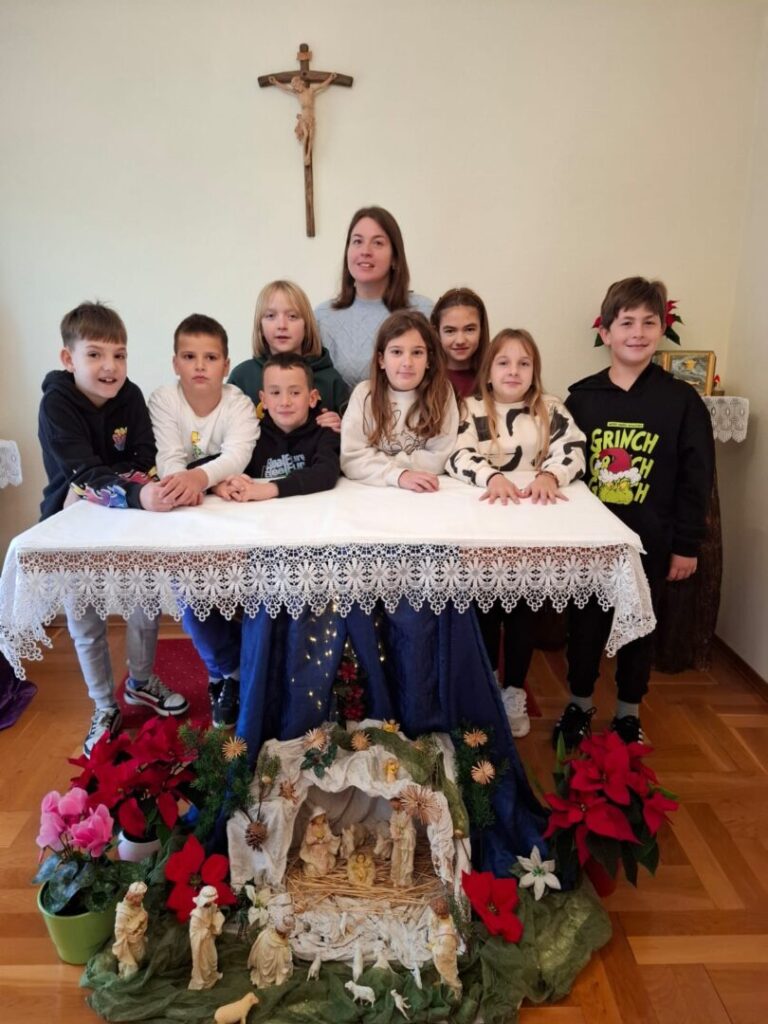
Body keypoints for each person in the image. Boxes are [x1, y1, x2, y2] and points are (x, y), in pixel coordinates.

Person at [556, 277, 714, 747]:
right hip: (592, 543)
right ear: (605, 331)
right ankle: (579, 703)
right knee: (584, 626)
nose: (638, 332)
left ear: (662, 329)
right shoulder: (581, 399)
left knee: (641, 628)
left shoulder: (682, 401)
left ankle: (628, 712)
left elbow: (696, 479)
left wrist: (686, 545)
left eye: (649, 322)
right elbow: (563, 469)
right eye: (627, 323)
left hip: (652, 540)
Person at [37, 302, 189, 755]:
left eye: (119, 355)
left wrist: (113, 486)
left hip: (128, 520)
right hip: (72, 523)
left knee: (144, 602)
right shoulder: (56, 405)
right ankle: (104, 705)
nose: (110, 366)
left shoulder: (131, 396)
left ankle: (140, 681)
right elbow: (81, 472)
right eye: (95, 355)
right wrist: (129, 490)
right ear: (69, 358)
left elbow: (143, 455)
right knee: (85, 617)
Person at [447, 329, 586, 736]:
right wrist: (491, 476)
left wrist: (550, 475)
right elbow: (456, 454)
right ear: (488, 371)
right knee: (486, 609)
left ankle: (514, 690)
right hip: (486, 528)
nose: (514, 371)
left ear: (534, 370)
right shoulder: (469, 408)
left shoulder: (551, 408)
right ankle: (488, 683)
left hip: (531, 530)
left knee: (523, 613)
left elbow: (574, 450)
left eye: (524, 363)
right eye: (504, 362)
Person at [148, 314, 259, 727]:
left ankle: (244, 669)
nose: (199, 366)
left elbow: (238, 455)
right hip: (187, 511)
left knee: (245, 595)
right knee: (192, 598)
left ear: (226, 365)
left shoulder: (238, 403)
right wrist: (195, 483)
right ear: (175, 362)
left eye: (210, 357)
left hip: (235, 513)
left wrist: (200, 479)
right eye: (189, 356)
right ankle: (225, 673)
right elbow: (169, 457)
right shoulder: (164, 400)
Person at [315, 206, 433, 389]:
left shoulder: (425, 311)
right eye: (357, 241)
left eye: (377, 243)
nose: (365, 251)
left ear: (395, 257)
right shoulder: (322, 316)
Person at [340, 310, 459, 491]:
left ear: (429, 359)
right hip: (374, 491)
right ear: (381, 360)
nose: (407, 362)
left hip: (426, 490)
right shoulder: (364, 394)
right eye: (396, 352)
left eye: (417, 352)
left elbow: (440, 457)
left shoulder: (442, 393)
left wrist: (381, 463)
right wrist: (398, 475)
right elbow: (351, 458)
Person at [214, 353, 340, 503]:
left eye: (295, 393)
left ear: (312, 398)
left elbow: (326, 472)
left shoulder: (325, 430)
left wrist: (268, 489)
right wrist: (217, 485)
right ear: (263, 400)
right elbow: (209, 465)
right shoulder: (252, 434)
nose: (285, 402)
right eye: (275, 393)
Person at [228, 280, 348, 431]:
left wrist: (341, 425)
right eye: (271, 316)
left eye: (292, 316)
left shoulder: (331, 380)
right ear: (260, 326)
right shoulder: (242, 377)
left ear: (306, 325)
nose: (282, 325)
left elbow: (355, 432)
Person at [430, 287, 490, 398]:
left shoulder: (495, 378)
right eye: (450, 331)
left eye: (469, 329)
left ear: (481, 330)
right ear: (437, 332)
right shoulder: (425, 379)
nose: (460, 340)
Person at [188, 885, 224, 991]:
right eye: (209, 901)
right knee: (204, 963)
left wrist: (217, 920)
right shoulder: (196, 915)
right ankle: (205, 979)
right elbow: (194, 934)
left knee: (213, 958)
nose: (211, 903)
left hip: (209, 940)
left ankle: (213, 974)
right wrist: (205, 931)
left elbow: (215, 915)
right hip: (201, 943)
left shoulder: (212, 907)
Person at [112, 880, 149, 979]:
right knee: (130, 964)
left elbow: (142, 918)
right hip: (129, 944)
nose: (142, 897)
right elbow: (119, 931)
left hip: (138, 939)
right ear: (134, 897)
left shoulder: (139, 906)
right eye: (140, 895)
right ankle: (127, 978)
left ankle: (139, 970)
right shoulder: (122, 913)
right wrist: (123, 945)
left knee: (140, 956)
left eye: (143, 895)